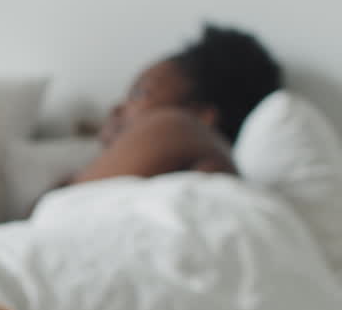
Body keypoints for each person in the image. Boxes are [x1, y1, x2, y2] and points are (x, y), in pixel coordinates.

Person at [59, 23, 283, 189]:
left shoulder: (179, 126)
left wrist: (67, 182)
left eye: (138, 93)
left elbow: (61, 204)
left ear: (201, 115)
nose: (116, 109)